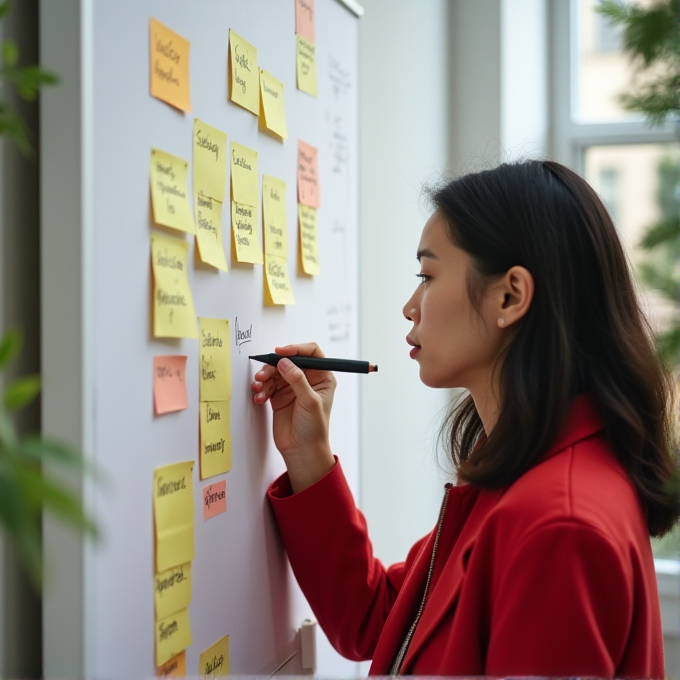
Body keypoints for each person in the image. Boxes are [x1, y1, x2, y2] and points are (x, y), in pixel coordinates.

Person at [251, 160, 679, 677]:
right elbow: (381, 620)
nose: (410, 306)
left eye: (427, 276)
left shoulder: (559, 525)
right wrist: (308, 456)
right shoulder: (518, 471)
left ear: (510, 296)